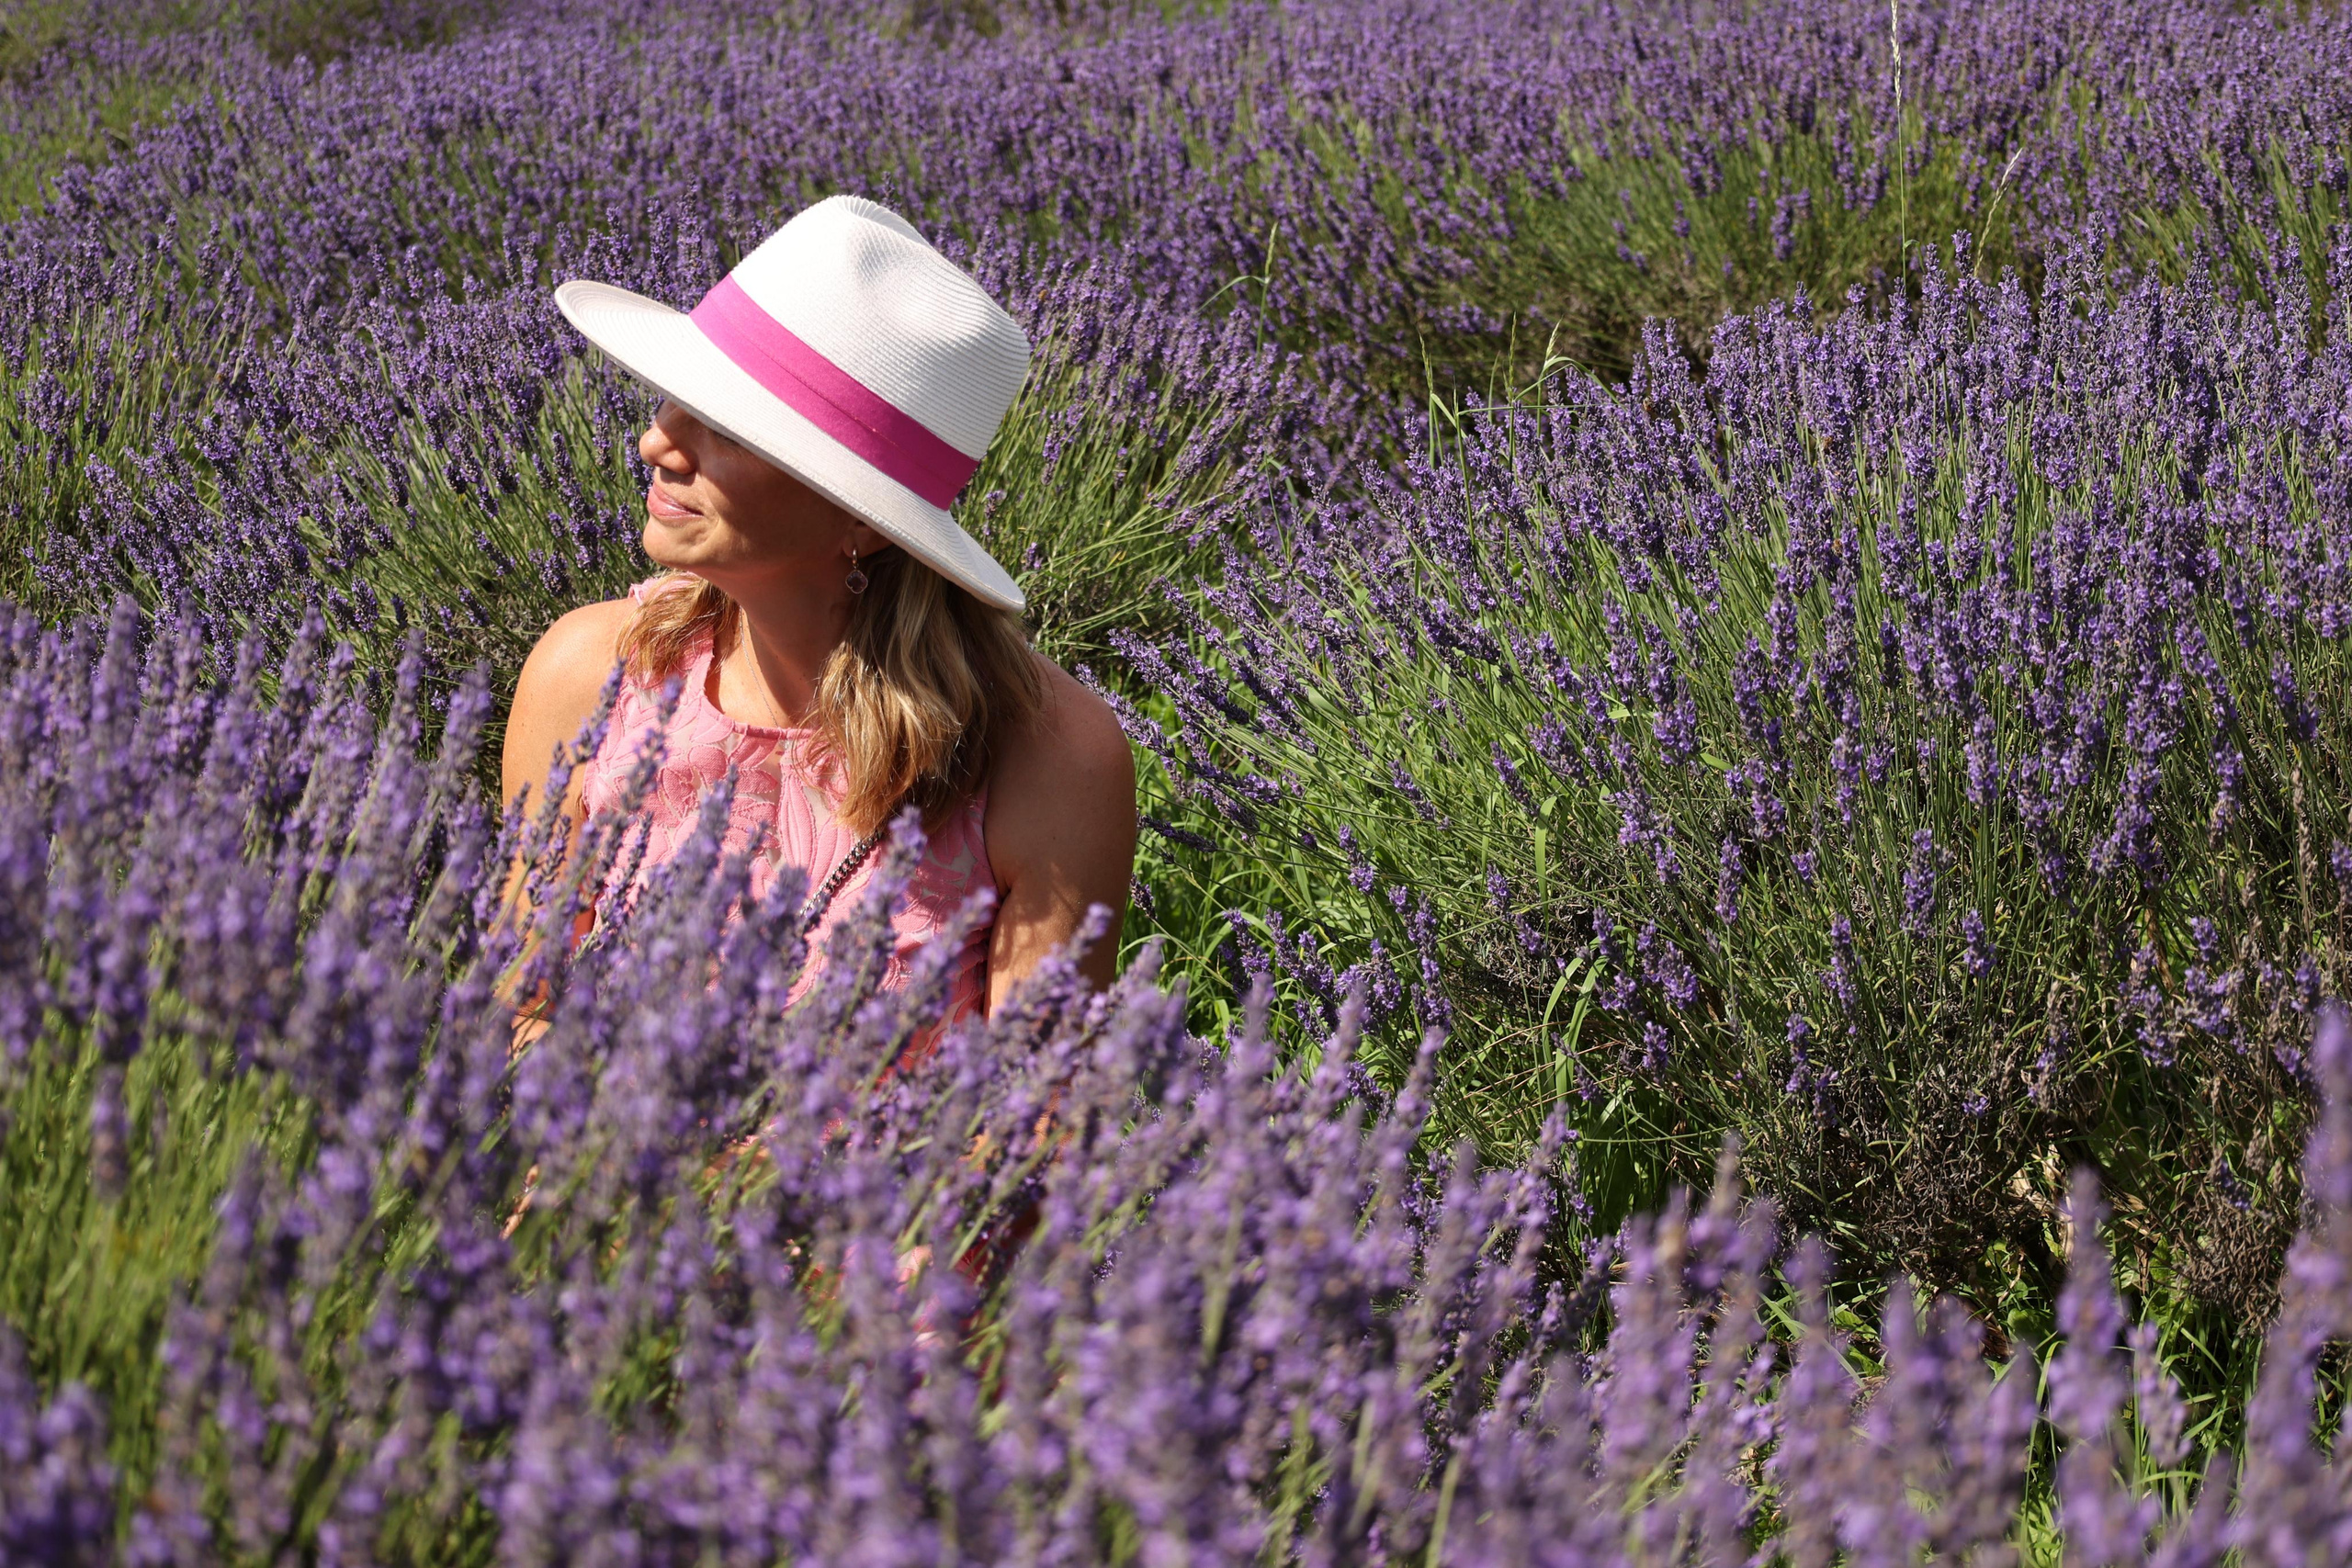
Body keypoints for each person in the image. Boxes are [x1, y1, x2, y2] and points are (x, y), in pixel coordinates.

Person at [501, 195, 1136, 1024]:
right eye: (672, 397)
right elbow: (519, 1014)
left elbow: (1030, 1100)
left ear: (862, 521)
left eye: (727, 425)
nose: (657, 442)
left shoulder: (1050, 760)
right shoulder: (594, 677)